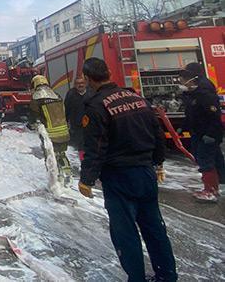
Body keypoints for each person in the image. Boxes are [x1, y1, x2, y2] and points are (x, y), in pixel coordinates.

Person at [79, 57, 177, 282]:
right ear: (109, 73)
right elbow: (157, 134)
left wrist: (87, 179)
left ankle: (136, 278)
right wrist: (159, 162)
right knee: (155, 228)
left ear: (87, 78)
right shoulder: (137, 98)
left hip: (119, 176)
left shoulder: (97, 106)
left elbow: (96, 147)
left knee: (125, 233)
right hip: (145, 172)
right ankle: (167, 276)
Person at [179, 62, 225, 202]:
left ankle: (210, 191)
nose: (182, 81)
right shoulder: (194, 93)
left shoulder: (204, 93)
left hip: (206, 134)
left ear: (193, 77)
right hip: (199, 132)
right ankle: (215, 188)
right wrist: (183, 127)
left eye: (184, 77)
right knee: (213, 160)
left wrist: (211, 134)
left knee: (205, 160)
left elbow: (214, 116)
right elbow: (192, 114)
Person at [29, 75, 72, 184]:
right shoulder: (56, 95)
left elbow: (33, 116)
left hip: (49, 134)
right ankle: (67, 175)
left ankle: (55, 181)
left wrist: (32, 124)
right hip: (64, 132)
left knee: (50, 157)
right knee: (62, 154)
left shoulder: (37, 97)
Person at [64, 77, 91, 154]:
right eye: (78, 83)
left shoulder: (91, 93)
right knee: (80, 145)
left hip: (91, 123)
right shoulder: (71, 94)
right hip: (77, 124)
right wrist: (66, 120)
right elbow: (67, 108)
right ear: (75, 85)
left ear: (85, 84)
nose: (80, 85)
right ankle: (83, 160)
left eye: (82, 83)